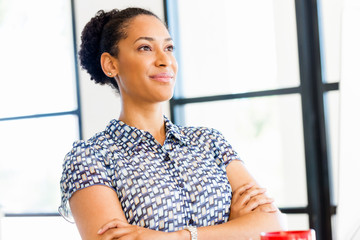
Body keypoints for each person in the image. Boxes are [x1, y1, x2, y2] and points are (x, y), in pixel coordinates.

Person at [59, 7, 285, 240]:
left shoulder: (209, 141)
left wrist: (176, 236)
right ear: (110, 65)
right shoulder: (89, 158)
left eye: (169, 48)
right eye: (145, 48)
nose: (165, 60)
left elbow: (273, 223)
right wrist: (235, 227)